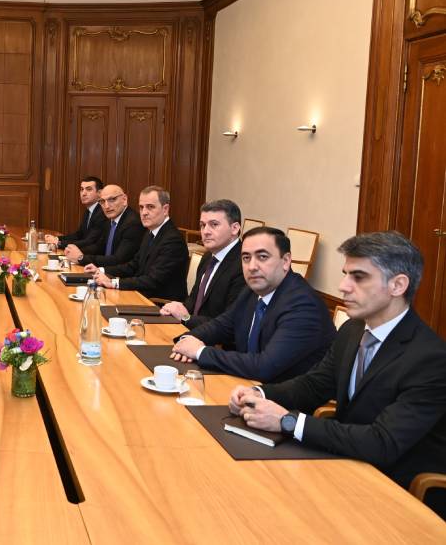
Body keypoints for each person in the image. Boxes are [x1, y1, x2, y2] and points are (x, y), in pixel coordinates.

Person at [228, 232, 446, 518]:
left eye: (359, 277)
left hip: (397, 494)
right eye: (346, 275)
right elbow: (315, 385)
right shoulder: (353, 329)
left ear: (398, 285)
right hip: (344, 463)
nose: (343, 286)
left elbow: (382, 442)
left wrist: (288, 421)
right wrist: (259, 393)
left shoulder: (431, 358)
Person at [171, 227, 335, 383]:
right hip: (248, 386)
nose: (252, 267)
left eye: (262, 257)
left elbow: (264, 366)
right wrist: (187, 340)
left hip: (281, 398)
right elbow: (221, 325)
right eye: (246, 258)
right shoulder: (252, 291)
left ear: (285, 261)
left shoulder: (303, 305)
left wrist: (200, 352)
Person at [90, 186, 188, 301]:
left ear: (165, 209)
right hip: (143, 296)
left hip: (160, 304)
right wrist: (102, 270)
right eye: (141, 207)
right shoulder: (150, 232)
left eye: (150, 207)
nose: (144, 212)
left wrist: (114, 283)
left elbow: (152, 280)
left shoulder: (173, 240)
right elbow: (134, 265)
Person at [160, 199, 246, 330]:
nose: (205, 231)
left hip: (215, 339)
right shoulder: (208, 256)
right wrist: (174, 310)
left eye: (214, 224)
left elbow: (229, 323)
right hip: (193, 331)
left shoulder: (244, 265)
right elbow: (193, 300)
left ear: (235, 228)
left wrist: (186, 318)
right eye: (202, 225)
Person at [64, 184, 144, 267]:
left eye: (112, 199)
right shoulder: (110, 220)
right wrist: (74, 252)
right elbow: (99, 247)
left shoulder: (133, 223)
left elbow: (118, 260)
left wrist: (81, 258)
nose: (107, 206)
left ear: (124, 199)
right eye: (102, 201)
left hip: (119, 273)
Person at [45, 176, 108, 250]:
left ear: (99, 193)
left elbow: (89, 241)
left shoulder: (102, 212)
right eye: (82, 189)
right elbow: (78, 235)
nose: (83, 193)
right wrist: (57, 238)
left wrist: (58, 243)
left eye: (88, 189)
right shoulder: (89, 211)